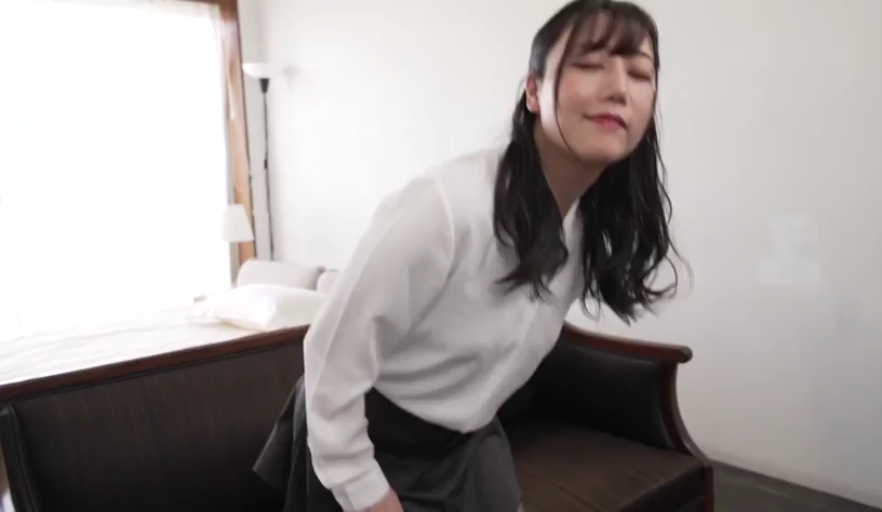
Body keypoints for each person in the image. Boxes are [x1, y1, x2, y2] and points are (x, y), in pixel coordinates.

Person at [253, 1, 680, 511]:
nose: (619, 88)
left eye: (640, 73)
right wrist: (367, 493)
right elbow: (330, 357)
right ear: (534, 90)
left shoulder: (591, 222)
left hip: (468, 442)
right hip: (366, 437)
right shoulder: (445, 207)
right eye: (591, 64)